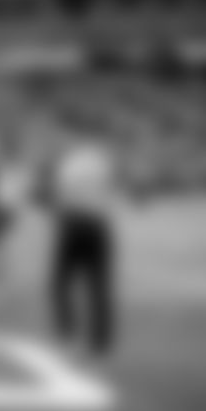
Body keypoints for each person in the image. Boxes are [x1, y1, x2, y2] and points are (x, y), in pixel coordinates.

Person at [41, 114, 123, 357]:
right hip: (99, 225)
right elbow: (115, 189)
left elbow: (57, 198)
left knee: (59, 282)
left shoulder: (69, 163)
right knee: (99, 285)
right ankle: (100, 340)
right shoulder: (103, 160)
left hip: (73, 224)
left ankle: (66, 332)